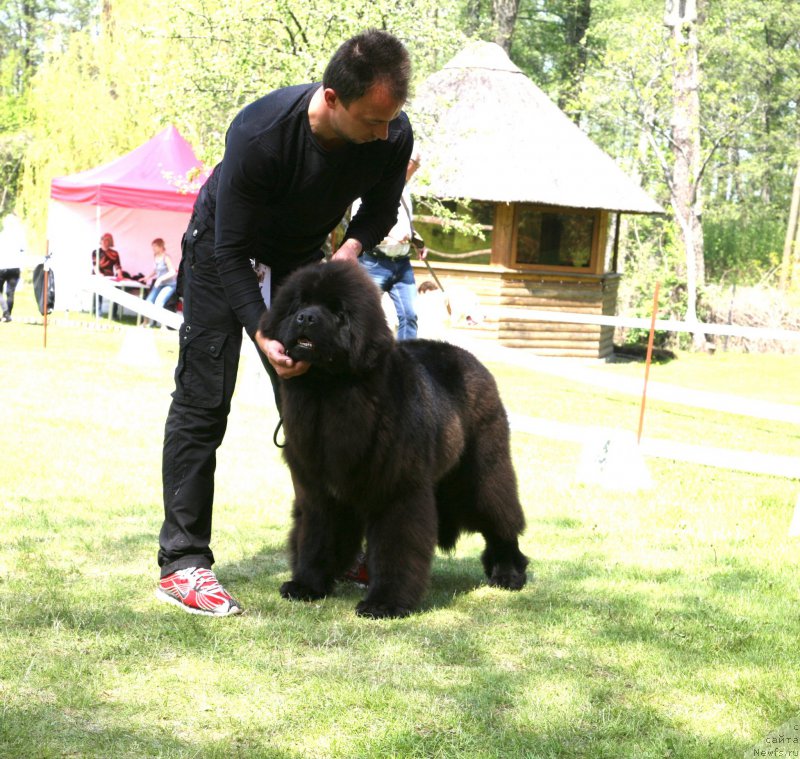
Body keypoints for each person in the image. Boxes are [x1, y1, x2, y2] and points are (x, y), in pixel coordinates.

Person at [155, 29, 414, 617]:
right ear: (331, 98)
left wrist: (347, 254)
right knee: (203, 402)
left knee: (323, 404)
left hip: (303, 258)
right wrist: (262, 333)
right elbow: (230, 252)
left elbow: (378, 208)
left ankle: (336, 551)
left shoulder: (391, 130)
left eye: (391, 120)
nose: (385, 133)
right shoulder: (260, 134)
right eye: (373, 121)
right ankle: (184, 564)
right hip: (225, 250)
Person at [354, 147, 424, 339]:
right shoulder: (373, 186)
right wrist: (391, 234)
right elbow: (358, 228)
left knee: (410, 316)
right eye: (414, 165)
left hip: (402, 263)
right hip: (374, 262)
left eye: (418, 166)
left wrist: (418, 241)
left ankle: (406, 363)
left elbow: (405, 224)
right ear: (404, 163)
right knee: (365, 316)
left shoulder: (406, 190)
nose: (415, 170)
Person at [142, 238, 177, 328]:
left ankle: (163, 327)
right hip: (159, 284)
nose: (153, 248)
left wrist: (160, 279)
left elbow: (173, 272)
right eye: (152, 246)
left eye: (155, 246)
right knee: (148, 302)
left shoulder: (166, 258)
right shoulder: (155, 256)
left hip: (169, 285)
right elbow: (156, 270)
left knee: (159, 302)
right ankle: (145, 323)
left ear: (161, 247)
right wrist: (148, 277)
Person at [91, 233, 123, 317]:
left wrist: (120, 275)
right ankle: (97, 312)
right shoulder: (96, 252)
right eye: (104, 240)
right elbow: (95, 266)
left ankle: (114, 313)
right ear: (101, 241)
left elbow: (118, 266)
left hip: (110, 277)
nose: (106, 242)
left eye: (108, 241)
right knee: (98, 288)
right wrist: (99, 274)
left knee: (117, 290)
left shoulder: (114, 253)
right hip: (97, 276)